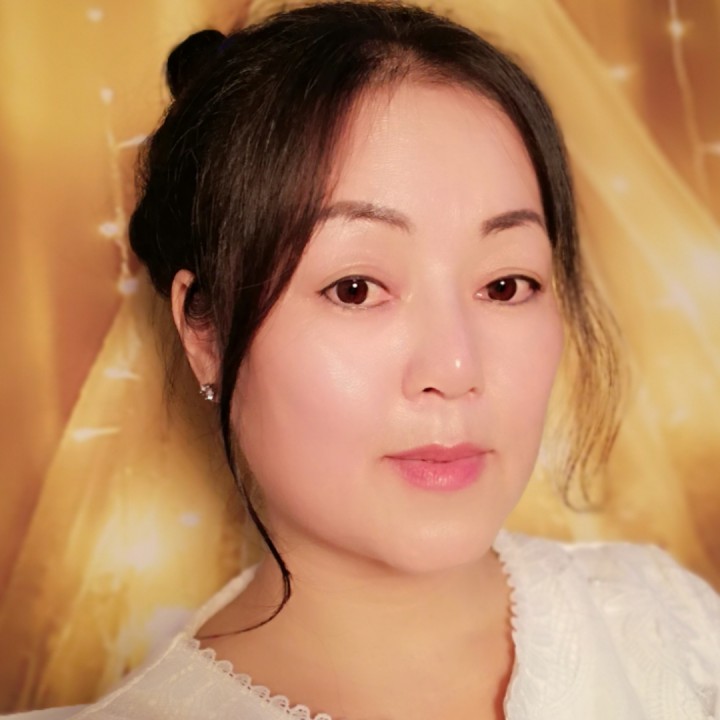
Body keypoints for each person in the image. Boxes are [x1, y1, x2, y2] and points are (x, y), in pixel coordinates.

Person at [7, 2, 719, 718]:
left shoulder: (670, 624)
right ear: (206, 333)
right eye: (356, 288)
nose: (455, 369)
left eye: (505, 285)